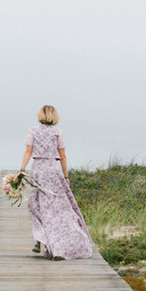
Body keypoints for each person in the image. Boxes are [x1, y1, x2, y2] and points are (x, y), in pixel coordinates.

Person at [18, 106, 93, 260]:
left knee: (38, 206)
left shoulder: (33, 131)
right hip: (53, 171)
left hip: (38, 170)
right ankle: (50, 242)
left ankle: (41, 239)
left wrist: (21, 170)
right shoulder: (57, 133)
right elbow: (63, 156)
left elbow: (28, 152)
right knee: (57, 209)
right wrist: (66, 177)